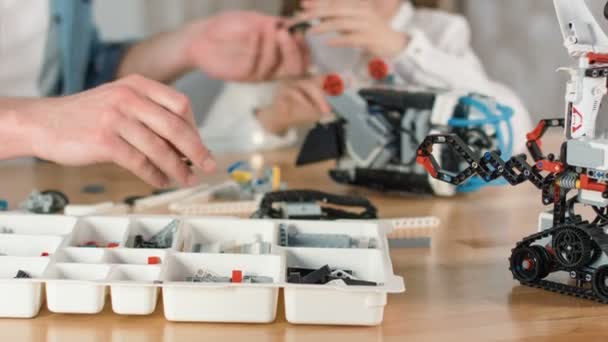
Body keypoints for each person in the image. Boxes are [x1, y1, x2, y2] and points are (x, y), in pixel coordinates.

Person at [0, 0, 307, 188]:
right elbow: (60, 115)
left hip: (40, 190)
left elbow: (78, 89)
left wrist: (189, 44)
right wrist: (30, 123)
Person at [203, 0, 533, 153]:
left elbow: (514, 128)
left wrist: (404, 49)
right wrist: (271, 121)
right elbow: (207, 148)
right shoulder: (292, 40)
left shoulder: (437, 32)